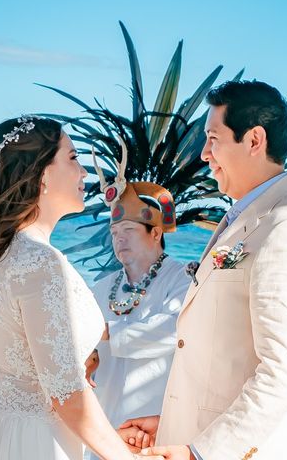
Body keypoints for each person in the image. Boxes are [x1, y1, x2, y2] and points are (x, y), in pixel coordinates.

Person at [120, 80, 287, 459]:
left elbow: (282, 373)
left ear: (254, 140)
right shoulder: (244, 218)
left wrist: (201, 452)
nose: (203, 154)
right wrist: (173, 422)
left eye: (213, 138)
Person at [0, 115, 160, 460]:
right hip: (35, 444)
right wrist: (124, 457)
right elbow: (66, 394)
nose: (85, 173)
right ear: (44, 174)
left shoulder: (5, 253)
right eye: (74, 159)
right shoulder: (40, 262)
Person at [87, 148, 190, 452]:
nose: (119, 239)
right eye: (115, 232)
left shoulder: (182, 278)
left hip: (152, 427)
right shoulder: (101, 287)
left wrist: (106, 331)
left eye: (128, 231)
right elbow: (86, 347)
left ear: (156, 232)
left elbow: (175, 331)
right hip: (104, 426)